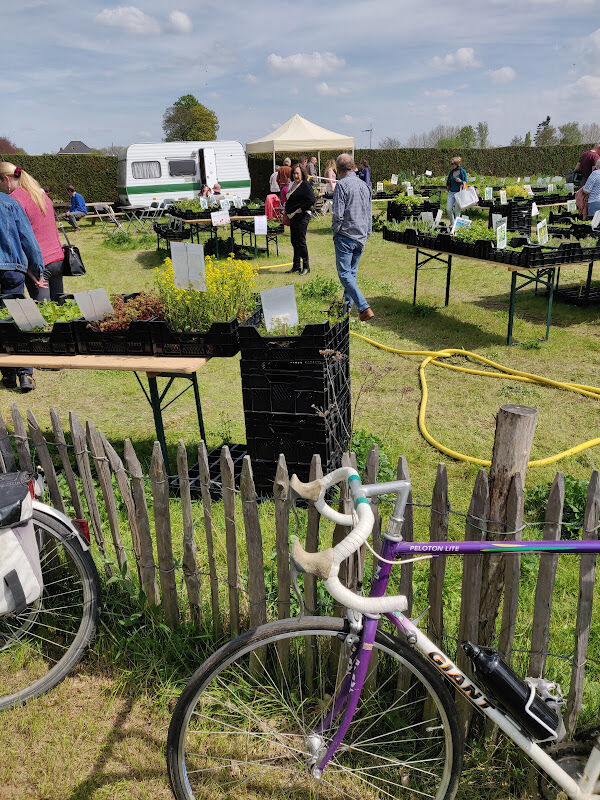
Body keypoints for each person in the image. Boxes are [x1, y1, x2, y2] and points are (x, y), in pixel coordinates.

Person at [0, 192, 45, 392]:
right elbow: (28, 239)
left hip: (11, 268)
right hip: (11, 269)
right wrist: (37, 270)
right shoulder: (9, 202)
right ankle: (25, 374)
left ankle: (8, 375)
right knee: (20, 318)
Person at [0, 162, 64, 301]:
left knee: (43, 315)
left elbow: (21, 240)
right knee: (60, 310)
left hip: (39, 264)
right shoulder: (39, 194)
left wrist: (32, 273)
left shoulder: (13, 200)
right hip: (57, 259)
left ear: (6, 179)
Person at [331, 153, 373, 321]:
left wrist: (336, 231)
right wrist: (367, 233)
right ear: (353, 166)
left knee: (344, 274)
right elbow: (368, 214)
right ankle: (345, 309)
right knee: (351, 274)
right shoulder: (365, 185)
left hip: (346, 236)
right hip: (361, 236)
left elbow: (338, 215)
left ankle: (363, 307)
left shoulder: (341, 185)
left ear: (339, 170)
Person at [284, 163, 315, 275]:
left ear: (302, 173)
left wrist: (300, 209)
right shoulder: (293, 185)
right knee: (294, 241)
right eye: (294, 173)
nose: (295, 175)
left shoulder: (305, 185)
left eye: (297, 173)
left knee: (301, 241)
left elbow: (311, 200)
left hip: (302, 216)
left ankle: (306, 267)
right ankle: (296, 266)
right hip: (293, 217)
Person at [445, 156, 467, 225]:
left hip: (459, 193)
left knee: (457, 211)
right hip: (451, 192)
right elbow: (448, 180)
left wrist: (460, 181)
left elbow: (465, 183)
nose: (451, 165)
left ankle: (455, 227)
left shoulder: (462, 171)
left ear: (457, 164)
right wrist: (448, 186)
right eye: (451, 164)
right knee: (448, 209)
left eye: (452, 164)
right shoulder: (451, 172)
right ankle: (452, 223)